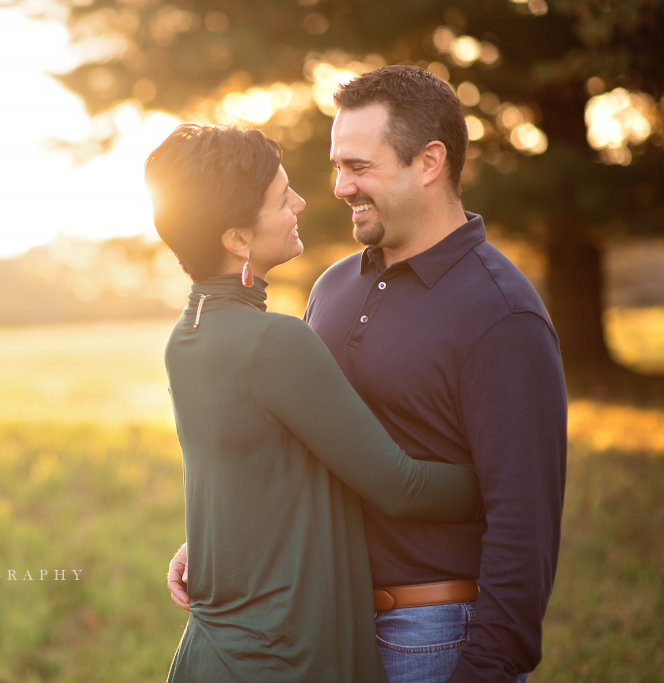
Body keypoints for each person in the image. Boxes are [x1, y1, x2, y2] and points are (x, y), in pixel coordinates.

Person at [167, 66, 568, 683]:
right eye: (336, 165)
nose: (338, 186)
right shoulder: (331, 288)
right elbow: (303, 442)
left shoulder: (501, 314)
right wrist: (228, 537)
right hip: (327, 633)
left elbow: (525, 522)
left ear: (429, 162)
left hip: (433, 639)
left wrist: (485, 668)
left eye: (358, 167)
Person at [148, 122, 484, 683]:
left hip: (212, 656)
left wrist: (206, 538)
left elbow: (245, 470)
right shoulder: (274, 342)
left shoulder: (186, 338)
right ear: (238, 239)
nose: (302, 201)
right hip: (278, 658)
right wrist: (507, 482)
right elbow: (398, 485)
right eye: (283, 198)